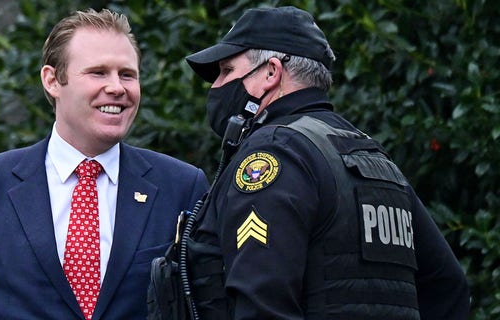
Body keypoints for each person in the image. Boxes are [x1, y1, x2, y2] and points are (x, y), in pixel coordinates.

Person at [174, 6, 469, 319]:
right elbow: (448, 286)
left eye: (226, 71)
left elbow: (261, 302)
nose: (216, 86)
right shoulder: (372, 157)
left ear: (271, 72)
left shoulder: (275, 153)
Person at [0, 8, 209, 319]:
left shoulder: (181, 186)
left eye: (127, 74)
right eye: (98, 72)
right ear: (52, 81)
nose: (117, 87)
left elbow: (204, 307)